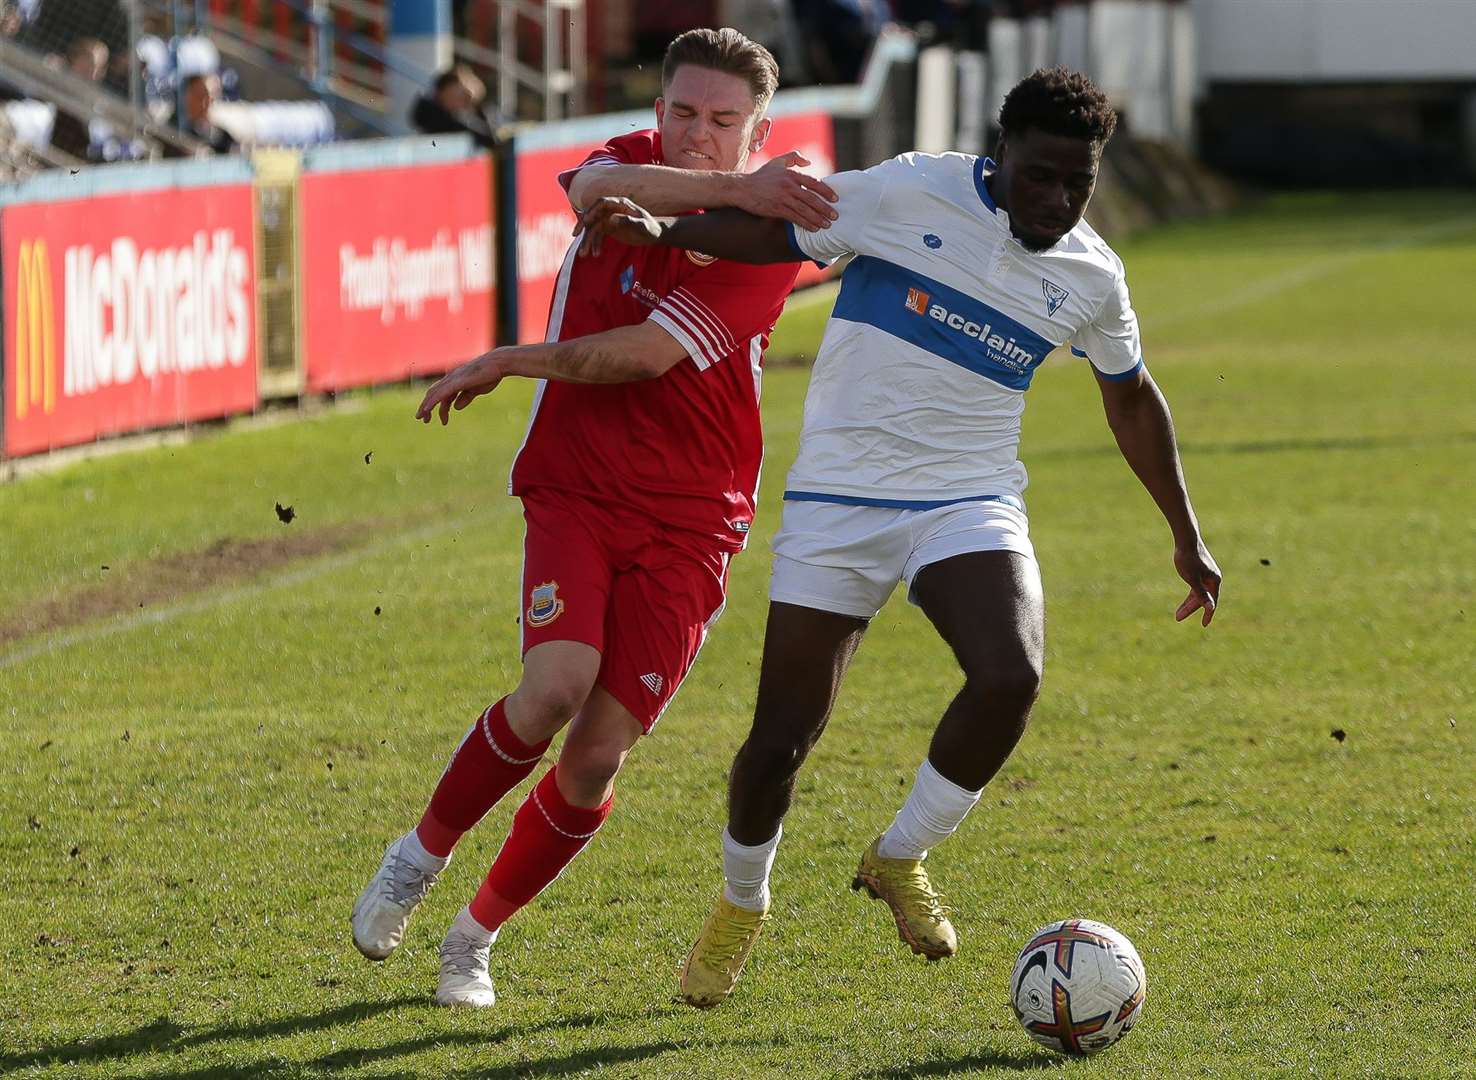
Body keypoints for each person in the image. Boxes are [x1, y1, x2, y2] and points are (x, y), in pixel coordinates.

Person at [577, 65, 1223, 1007]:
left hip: (967, 497)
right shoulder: (910, 187)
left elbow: (1130, 398)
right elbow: (776, 231)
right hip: (839, 500)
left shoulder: (1092, 274)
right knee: (777, 745)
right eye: (1038, 174)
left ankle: (899, 853)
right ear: (999, 153)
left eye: (1075, 183)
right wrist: (668, 228)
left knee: (1012, 674)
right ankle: (741, 905)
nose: (1054, 199)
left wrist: (1186, 533)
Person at [349, 27, 841, 1009]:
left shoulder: (772, 239)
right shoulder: (626, 167)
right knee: (554, 687)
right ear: (658, 110)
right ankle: (419, 855)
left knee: (597, 752)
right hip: (577, 482)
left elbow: (640, 356)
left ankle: (472, 938)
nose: (698, 136)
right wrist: (734, 186)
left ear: (759, 130)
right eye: (683, 114)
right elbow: (582, 196)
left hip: (697, 517)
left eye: (723, 123)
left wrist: (508, 358)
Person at [410, 64, 498, 150]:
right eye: (463, 97)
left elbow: (490, 139)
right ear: (445, 91)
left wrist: (476, 108)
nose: (465, 104)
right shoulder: (433, 117)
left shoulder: (456, 116)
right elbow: (488, 140)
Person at [163, 72, 235, 156]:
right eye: (201, 96)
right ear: (186, 95)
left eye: (212, 97)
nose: (207, 102)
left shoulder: (222, 137)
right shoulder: (170, 131)